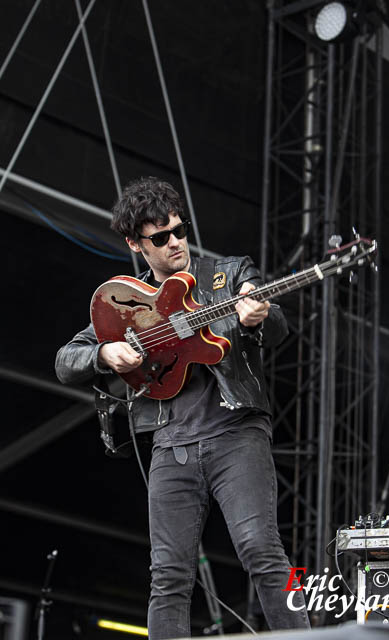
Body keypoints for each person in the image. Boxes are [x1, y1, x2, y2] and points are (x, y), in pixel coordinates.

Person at [55, 176, 309, 638]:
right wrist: (104, 354)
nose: (175, 242)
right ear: (136, 244)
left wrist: (262, 315)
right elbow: (64, 361)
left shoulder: (229, 273)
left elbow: (277, 328)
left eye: (180, 230)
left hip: (236, 433)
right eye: (160, 237)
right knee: (168, 576)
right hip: (171, 444)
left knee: (262, 550)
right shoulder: (131, 305)